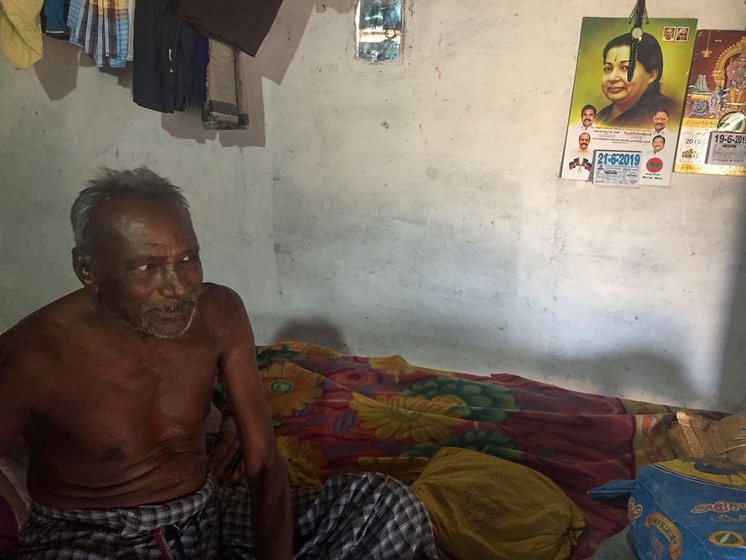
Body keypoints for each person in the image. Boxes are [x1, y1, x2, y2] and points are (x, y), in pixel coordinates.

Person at [0, 167, 438, 560]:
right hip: (94, 537)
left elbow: (264, 461)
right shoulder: (33, 357)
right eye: (146, 268)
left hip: (207, 515)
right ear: (87, 270)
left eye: (187, 259)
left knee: (388, 507)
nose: (177, 287)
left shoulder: (219, 313)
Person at [596, 32, 677, 129]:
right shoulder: (599, 116)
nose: (612, 78)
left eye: (625, 68)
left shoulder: (665, 114)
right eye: (608, 69)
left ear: (652, 75)